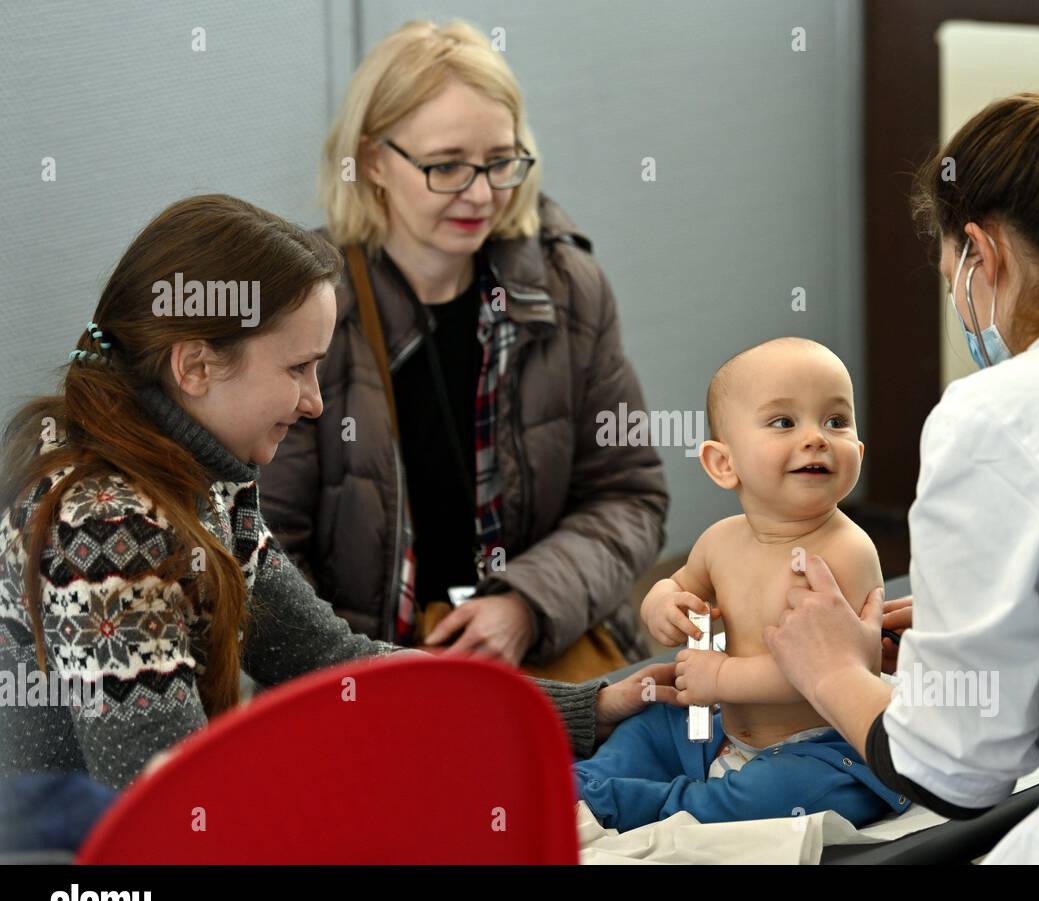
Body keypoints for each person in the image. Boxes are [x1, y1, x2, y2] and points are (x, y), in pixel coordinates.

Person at [0, 194, 676, 794]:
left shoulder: (205, 481)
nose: (316, 402)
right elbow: (169, 801)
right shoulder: (106, 525)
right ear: (197, 365)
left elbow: (332, 662)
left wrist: (587, 708)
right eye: (298, 368)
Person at [258, 19, 667, 678]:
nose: (480, 194)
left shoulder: (568, 288)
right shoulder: (307, 310)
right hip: (365, 677)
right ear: (371, 162)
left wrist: (527, 604)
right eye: (446, 165)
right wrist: (361, 676)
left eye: (500, 162)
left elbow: (630, 497)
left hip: (545, 654)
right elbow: (267, 545)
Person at [762, 92, 1039, 863]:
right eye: (779, 422)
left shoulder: (995, 416)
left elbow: (953, 771)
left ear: (983, 255)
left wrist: (831, 669)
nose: (814, 444)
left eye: (950, 271)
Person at [573, 338, 909, 832]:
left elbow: (831, 668)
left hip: (822, 745)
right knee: (648, 724)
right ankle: (587, 782)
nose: (817, 438)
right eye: (784, 422)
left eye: (836, 421)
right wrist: (663, 604)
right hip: (718, 730)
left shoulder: (844, 552)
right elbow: (674, 583)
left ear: (857, 452)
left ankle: (658, 806)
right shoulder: (720, 541)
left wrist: (721, 679)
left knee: (793, 795)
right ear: (722, 464)